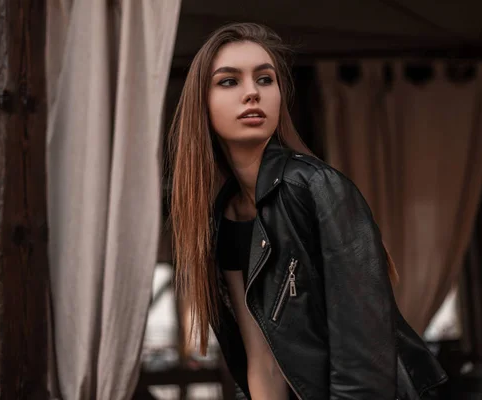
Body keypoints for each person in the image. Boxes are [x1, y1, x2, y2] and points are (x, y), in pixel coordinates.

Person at [167, 22, 448, 400]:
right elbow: (262, 359)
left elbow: (366, 360)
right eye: (229, 81)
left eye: (265, 79)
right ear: (202, 102)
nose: (252, 92)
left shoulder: (317, 187)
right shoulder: (227, 217)